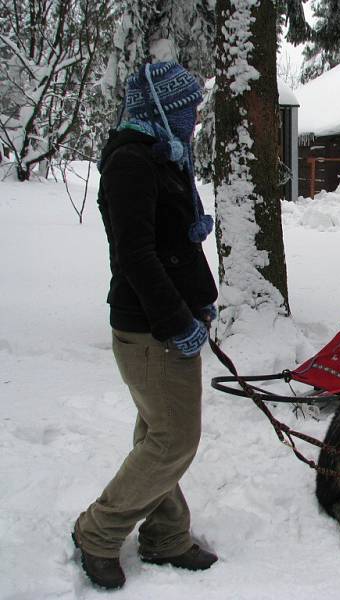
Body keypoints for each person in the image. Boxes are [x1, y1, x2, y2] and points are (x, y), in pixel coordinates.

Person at [72, 61, 219, 589]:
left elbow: (174, 246)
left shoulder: (162, 154)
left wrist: (200, 301)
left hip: (166, 320)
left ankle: (165, 535)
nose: (197, 116)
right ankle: (98, 531)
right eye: (190, 107)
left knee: (157, 433)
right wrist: (177, 319)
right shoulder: (133, 161)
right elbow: (135, 254)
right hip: (151, 328)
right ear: (164, 108)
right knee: (174, 439)